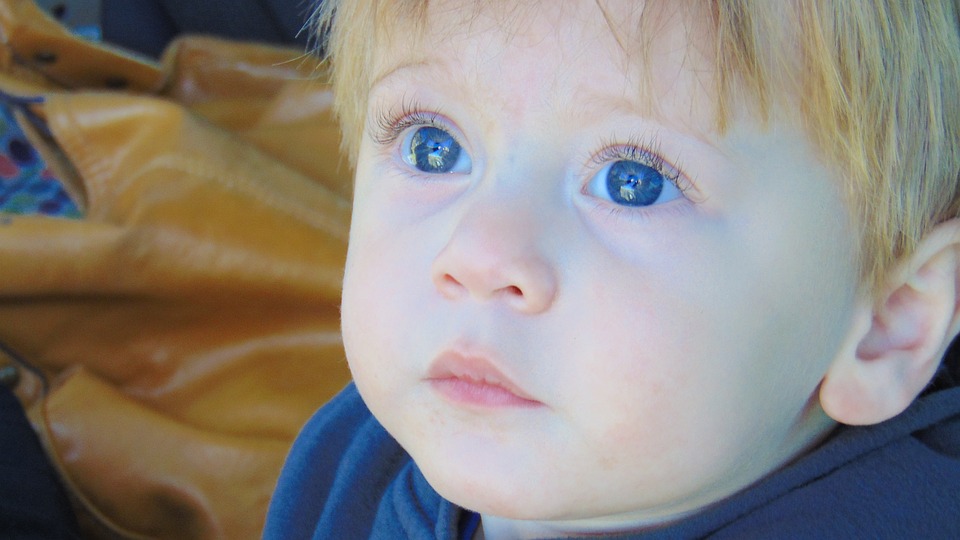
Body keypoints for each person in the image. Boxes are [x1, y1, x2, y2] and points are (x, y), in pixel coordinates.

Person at [263, 1, 960, 538]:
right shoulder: (349, 462)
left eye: (636, 181)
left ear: (889, 322)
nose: (477, 256)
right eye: (433, 147)